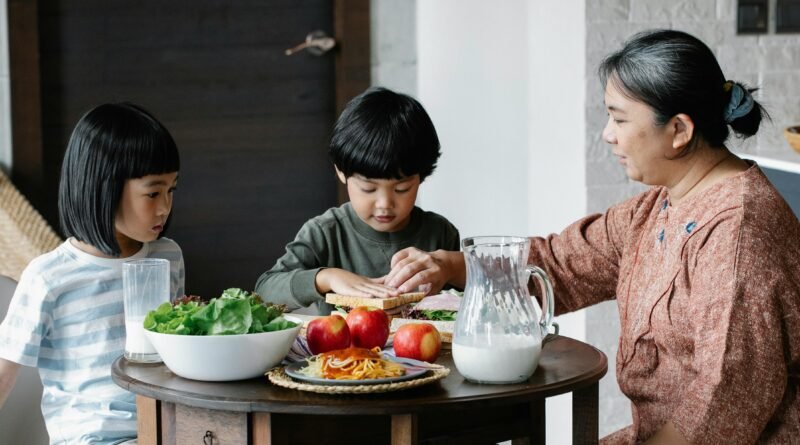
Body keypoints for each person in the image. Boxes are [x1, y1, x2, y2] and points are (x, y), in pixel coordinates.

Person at [384, 29, 800, 444]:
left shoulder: (739, 234)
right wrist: (451, 265)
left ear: (678, 130)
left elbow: (722, 406)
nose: (607, 134)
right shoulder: (658, 207)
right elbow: (563, 264)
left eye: (619, 119)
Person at [0, 103, 185, 444]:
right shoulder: (49, 278)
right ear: (105, 187)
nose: (164, 207)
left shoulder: (167, 257)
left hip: (164, 430)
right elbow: (3, 375)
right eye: (153, 192)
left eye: (171, 190)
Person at [255, 87, 461, 314]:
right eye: (368, 188)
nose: (384, 203)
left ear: (421, 176)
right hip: (342, 350)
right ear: (341, 172)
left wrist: (450, 267)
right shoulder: (326, 232)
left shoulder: (439, 232)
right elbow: (265, 291)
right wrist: (326, 278)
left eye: (402, 189)